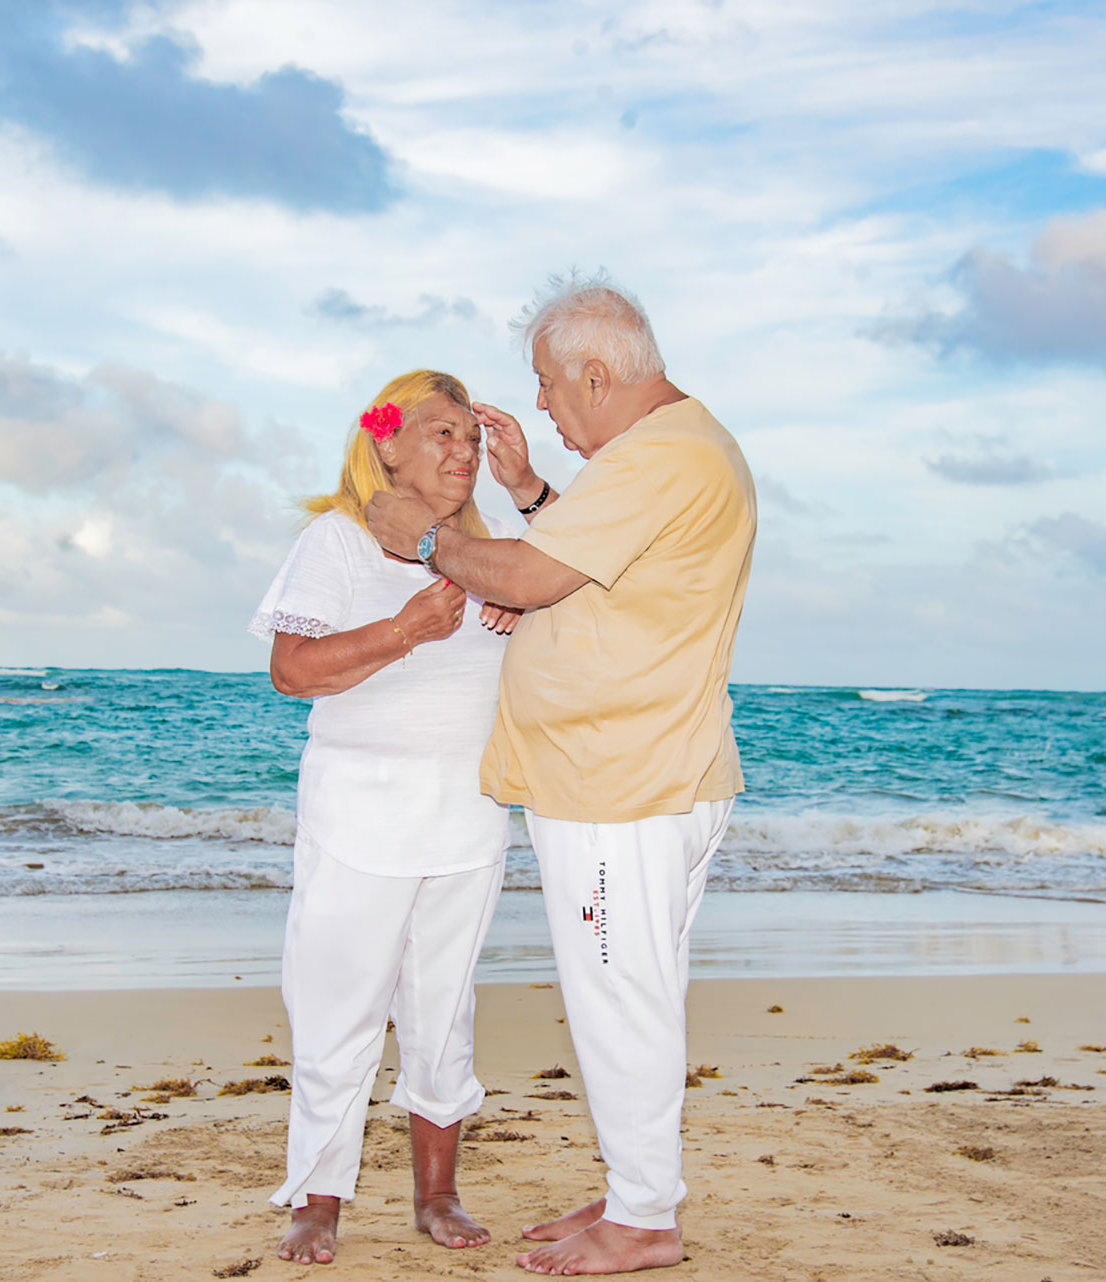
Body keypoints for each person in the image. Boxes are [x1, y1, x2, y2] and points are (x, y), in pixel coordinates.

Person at [366, 275, 757, 1275]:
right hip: (646, 771)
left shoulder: (661, 458)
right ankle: (641, 1189)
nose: (539, 402)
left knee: (620, 997)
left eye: (547, 382)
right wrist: (532, 496)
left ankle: (644, 1220)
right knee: (640, 994)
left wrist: (423, 535)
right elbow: (599, 564)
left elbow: (534, 577)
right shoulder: (667, 453)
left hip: (623, 782)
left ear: (595, 372)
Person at [250, 369, 523, 1266]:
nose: (462, 451)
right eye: (441, 432)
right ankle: (317, 1196)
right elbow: (294, 670)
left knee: (443, 1015)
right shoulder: (336, 540)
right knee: (339, 1010)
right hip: (358, 816)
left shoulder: (486, 555)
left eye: (471, 439)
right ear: (387, 444)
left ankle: (437, 1195)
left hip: (467, 820)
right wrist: (405, 629)